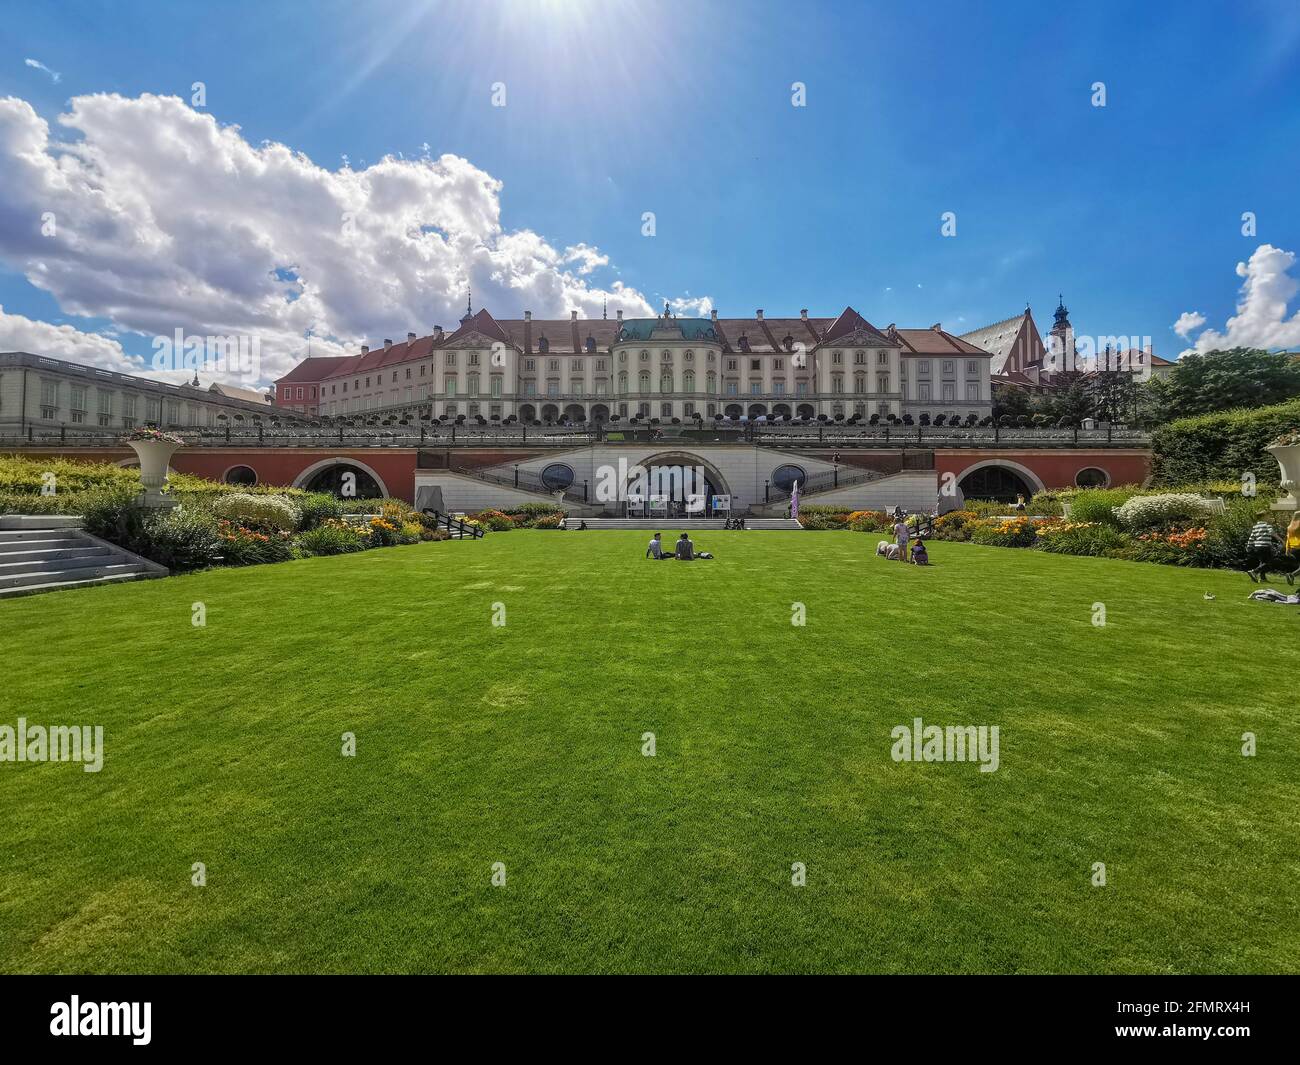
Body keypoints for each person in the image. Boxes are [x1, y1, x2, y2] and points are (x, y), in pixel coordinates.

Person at [1245, 512, 1281, 582]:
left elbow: (1252, 537)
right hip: (1265, 546)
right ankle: (1254, 572)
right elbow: (1272, 533)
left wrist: (1249, 546)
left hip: (1257, 546)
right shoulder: (1267, 525)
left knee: (1262, 562)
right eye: (1267, 516)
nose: (1269, 518)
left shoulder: (1255, 526)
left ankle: (1263, 578)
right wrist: (1281, 540)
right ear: (1262, 517)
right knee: (1269, 562)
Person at [1285, 511, 1300, 586]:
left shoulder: (1290, 527)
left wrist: (1287, 550)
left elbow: (1288, 539)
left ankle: (1292, 576)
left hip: (1293, 549)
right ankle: (1292, 575)